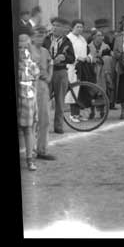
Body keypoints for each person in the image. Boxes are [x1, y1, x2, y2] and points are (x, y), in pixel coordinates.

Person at [43, 17, 74, 134]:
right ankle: (42, 125)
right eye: (53, 25)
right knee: (44, 100)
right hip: (46, 72)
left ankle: (58, 126)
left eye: (58, 26)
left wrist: (64, 57)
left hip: (61, 73)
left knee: (60, 102)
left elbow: (72, 58)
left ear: (63, 28)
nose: (55, 28)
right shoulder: (45, 39)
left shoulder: (67, 41)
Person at [29, 26, 55, 161]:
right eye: (37, 35)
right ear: (32, 37)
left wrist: (50, 76)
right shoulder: (27, 50)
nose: (40, 38)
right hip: (30, 86)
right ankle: (30, 151)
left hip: (43, 86)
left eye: (42, 35)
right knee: (30, 120)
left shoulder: (45, 51)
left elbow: (51, 63)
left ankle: (42, 150)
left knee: (44, 119)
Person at [18, 29, 42, 171]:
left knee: (28, 129)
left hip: (28, 97)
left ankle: (30, 159)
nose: (22, 49)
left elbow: (36, 79)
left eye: (25, 46)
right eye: (19, 47)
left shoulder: (30, 62)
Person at [67, 19, 92, 122]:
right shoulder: (68, 38)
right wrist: (78, 57)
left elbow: (88, 51)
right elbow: (68, 52)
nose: (80, 29)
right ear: (72, 27)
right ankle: (73, 114)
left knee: (82, 90)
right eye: (77, 26)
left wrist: (88, 57)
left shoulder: (82, 39)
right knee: (74, 90)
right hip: (73, 67)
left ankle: (80, 113)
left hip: (83, 67)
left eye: (81, 27)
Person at [87, 29, 112, 119]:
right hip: (92, 71)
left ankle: (102, 110)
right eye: (98, 35)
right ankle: (92, 111)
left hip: (103, 72)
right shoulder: (88, 46)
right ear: (93, 37)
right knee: (92, 90)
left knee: (103, 90)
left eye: (101, 35)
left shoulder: (106, 47)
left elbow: (109, 59)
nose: (101, 37)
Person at [94, 18, 117, 109]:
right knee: (102, 84)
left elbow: (111, 51)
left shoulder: (108, 37)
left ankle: (111, 103)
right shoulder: (92, 39)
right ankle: (100, 106)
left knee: (109, 83)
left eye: (105, 27)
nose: (105, 29)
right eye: (102, 28)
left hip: (107, 65)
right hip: (98, 66)